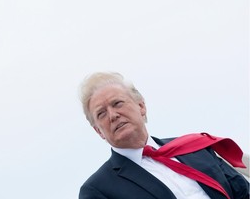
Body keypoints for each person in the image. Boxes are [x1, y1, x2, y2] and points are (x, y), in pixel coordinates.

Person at [78, 72, 249, 199]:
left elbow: (243, 192)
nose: (113, 115)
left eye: (117, 103)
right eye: (101, 114)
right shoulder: (98, 189)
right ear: (98, 131)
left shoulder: (195, 148)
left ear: (141, 106)